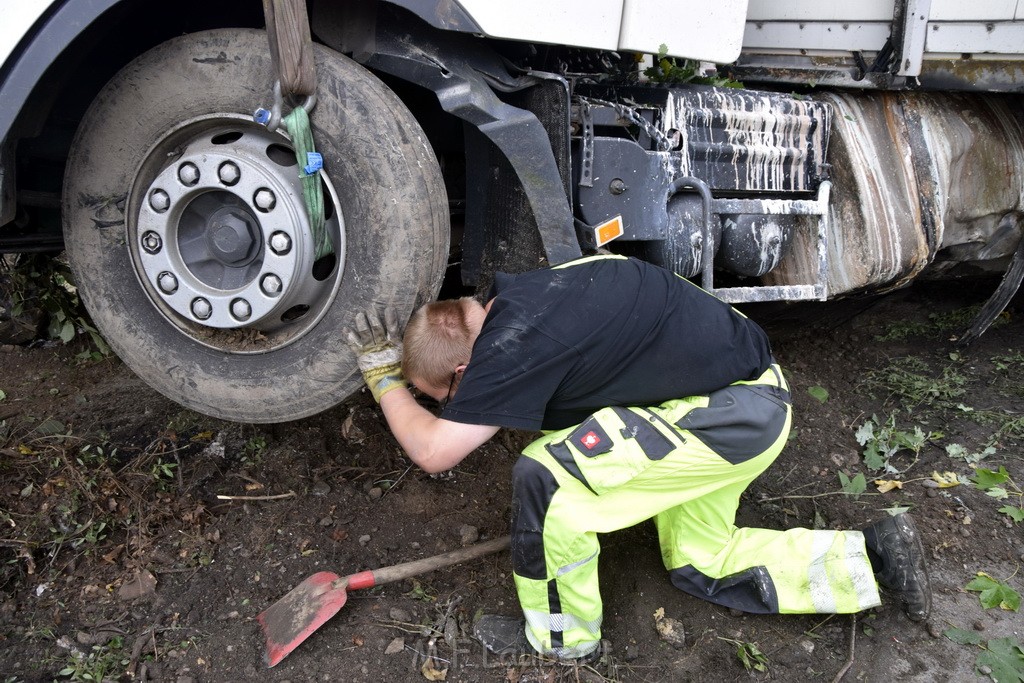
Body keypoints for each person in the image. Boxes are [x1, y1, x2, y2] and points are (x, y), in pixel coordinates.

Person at [346, 254, 931, 662]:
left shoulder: (512, 347)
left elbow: (432, 451)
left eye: (444, 396)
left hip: (726, 418)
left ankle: (561, 641)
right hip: (746, 404)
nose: (453, 408)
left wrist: (383, 381)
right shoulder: (534, 292)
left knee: (546, 481)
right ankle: (875, 560)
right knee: (703, 560)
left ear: (464, 370)